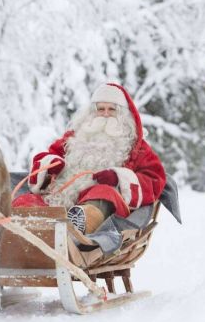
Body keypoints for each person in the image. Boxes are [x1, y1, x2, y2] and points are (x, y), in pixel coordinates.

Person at [13, 83, 166, 234]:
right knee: (25, 201)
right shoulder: (74, 138)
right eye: (101, 109)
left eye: (112, 109)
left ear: (123, 115)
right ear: (92, 112)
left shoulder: (137, 147)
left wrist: (119, 178)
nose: (105, 114)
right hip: (59, 199)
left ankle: (78, 225)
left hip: (101, 207)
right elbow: (46, 159)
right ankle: (25, 226)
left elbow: (154, 179)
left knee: (104, 192)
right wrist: (51, 164)